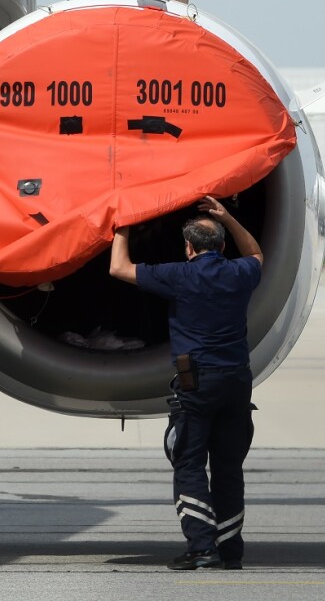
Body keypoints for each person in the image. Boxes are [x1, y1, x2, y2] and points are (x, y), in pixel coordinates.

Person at [109, 195, 263, 571]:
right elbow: (256, 253)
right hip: (237, 383)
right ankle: (229, 550)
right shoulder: (240, 273)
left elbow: (118, 268)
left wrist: (123, 222)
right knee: (229, 467)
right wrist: (227, 215)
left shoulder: (178, 275)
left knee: (189, 463)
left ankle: (201, 547)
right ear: (223, 246)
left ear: (188, 247)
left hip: (197, 384)